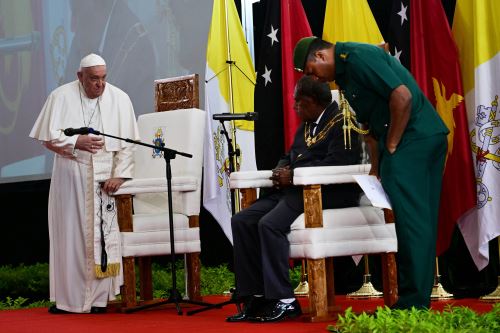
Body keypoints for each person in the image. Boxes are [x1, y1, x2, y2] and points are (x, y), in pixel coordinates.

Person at [293, 37, 449, 310]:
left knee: (413, 223)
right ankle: (414, 300)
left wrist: (392, 144)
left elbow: (403, 97)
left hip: (414, 139)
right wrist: (376, 167)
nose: (313, 78)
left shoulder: (356, 57)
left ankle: (413, 304)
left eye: (310, 70)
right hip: (408, 141)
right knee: (412, 222)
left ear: (320, 55)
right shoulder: (344, 74)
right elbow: (370, 123)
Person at [227, 75, 362, 323]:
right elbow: (289, 155)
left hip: (325, 192)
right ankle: (257, 296)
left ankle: (285, 300)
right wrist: (281, 171)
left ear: (312, 102)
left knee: (269, 224)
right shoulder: (308, 124)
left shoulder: (342, 124)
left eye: (298, 102)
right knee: (242, 220)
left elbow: (339, 163)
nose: (294, 108)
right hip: (294, 190)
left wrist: (295, 175)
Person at [29, 53, 140, 314]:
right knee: (71, 237)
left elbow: (127, 146)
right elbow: (47, 138)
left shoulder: (120, 99)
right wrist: (76, 142)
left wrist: (119, 176)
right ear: (80, 77)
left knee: (104, 237)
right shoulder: (60, 96)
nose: (99, 85)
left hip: (105, 182)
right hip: (72, 177)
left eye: (103, 79)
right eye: (93, 79)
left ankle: (100, 299)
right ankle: (70, 300)